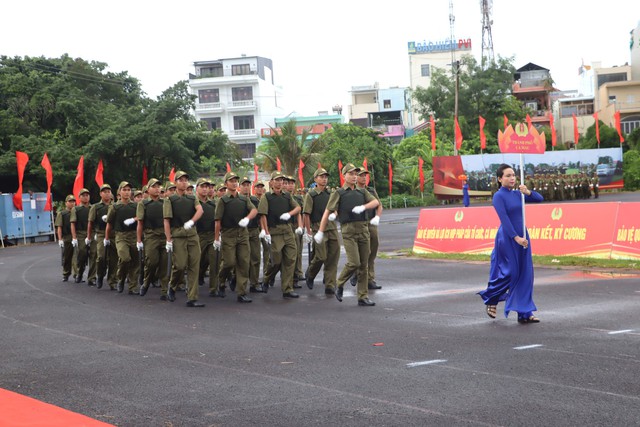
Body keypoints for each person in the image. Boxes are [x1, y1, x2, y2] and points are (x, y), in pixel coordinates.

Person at [478, 164, 544, 324]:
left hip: (523, 235)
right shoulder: (498, 196)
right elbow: (505, 219)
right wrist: (516, 238)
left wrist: (527, 192)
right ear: (500, 179)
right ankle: (491, 298)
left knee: (525, 274)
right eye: (507, 176)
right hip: (508, 238)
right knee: (510, 273)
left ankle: (525, 313)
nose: (512, 178)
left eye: (513, 175)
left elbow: (539, 199)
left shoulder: (518, 194)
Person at [314, 163, 380, 306]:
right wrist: (320, 230)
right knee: (354, 262)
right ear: (344, 176)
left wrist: (363, 207)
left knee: (364, 265)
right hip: (348, 230)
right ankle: (339, 282)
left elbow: (375, 202)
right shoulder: (338, 193)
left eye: (356, 174)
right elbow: (327, 211)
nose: (354, 177)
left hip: (363, 229)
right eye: (351, 174)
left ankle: (362, 296)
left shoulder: (362, 192)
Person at [214, 172, 258, 303]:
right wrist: (217, 238)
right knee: (229, 262)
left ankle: (241, 292)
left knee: (243, 263)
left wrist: (247, 218)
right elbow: (217, 220)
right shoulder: (223, 200)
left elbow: (254, 210)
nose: (234, 183)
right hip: (228, 234)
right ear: (226, 183)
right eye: (231, 181)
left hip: (243, 234)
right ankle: (221, 281)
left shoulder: (244, 199)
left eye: (235, 181)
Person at [164, 170, 204, 307]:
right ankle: (173, 286)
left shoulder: (192, 198)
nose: (184, 182)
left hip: (192, 235)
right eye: (180, 180)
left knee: (194, 266)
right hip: (178, 235)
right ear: (175, 183)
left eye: (186, 180)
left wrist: (192, 221)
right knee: (180, 266)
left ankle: (192, 297)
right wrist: (168, 239)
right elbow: (167, 221)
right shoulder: (170, 200)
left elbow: (200, 211)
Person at [258, 171, 301, 299]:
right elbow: (263, 215)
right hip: (274, 231)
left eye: (281, 180)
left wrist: (290, 213)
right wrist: (266, 232)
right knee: (275, 261)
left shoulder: (287, 196)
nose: (279, 182)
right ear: (271, 182)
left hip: (287, 230)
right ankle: (266, 279)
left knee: (290, 259)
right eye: (277, 180)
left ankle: (287, 288)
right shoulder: (267, 197)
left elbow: (298, 208)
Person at [303, 168, 339, 295]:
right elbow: (306, 214)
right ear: (315, 179)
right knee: (321, 256)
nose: (324, 179)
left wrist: (334, 214)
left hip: (332, 227)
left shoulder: (331, 193)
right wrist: (308, 232)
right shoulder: (311, 195)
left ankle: (330, 284)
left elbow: (335, 208)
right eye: (321, 176)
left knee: (333, 257)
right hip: (318, 227)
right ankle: (311, 273)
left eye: (325, 177)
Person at [137, 178, 170, 299]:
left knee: (164, 263)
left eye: (158, 187)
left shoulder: (165, 202)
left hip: (164, 236)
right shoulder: (143, 204)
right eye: (154, 187)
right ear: (148, 189)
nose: (157, 189)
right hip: (151, 236)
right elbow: (140, 223)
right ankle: (146, 282)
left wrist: (169, 238)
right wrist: (139, 240)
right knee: (151, 262)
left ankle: (164, 290)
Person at [105, 181, 140, 294]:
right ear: (119, 192)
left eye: (129, 190)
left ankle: (132, 286)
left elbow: (141, 217)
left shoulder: (136, 206)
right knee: (125, 258)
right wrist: (106, 238)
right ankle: (121, 278)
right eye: (124, 190)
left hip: (134, 235)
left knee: (135, 262)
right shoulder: (115, 207)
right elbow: (109, 223)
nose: (127, 192)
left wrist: (134, 219)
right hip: (120, 236)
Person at [88, 184, 118, 290]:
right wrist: (89, 237)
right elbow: (90, 222)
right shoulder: (95, 207)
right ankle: (100, 275)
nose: (107, 193)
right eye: (104, 192)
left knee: (114, 259)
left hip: (114, 234)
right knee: (101, 257)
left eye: (108, 191)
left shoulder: (115, 206)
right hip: (101, 234)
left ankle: (112, 281)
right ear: (101, 194)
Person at [70, 188, 93, 284]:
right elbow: (73, 223)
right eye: (83, 195)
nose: (85, 197)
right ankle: (79, 272)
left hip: (92, 233)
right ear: (79, 197)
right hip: (80, 234)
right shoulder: (76, 209)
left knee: (94, 254)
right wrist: (74, 237)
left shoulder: (93, 207)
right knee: (82, 254)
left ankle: (92, 277)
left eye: (87, 195)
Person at [55, 195, 76, 282]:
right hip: (67, 237)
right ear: (66, 203)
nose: (72, 203)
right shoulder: (62, 214)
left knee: (77, 257)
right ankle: (66, 273)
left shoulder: (76, 212)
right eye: (70, 201)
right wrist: (60, 239)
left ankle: (77, 274)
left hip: (76, 236)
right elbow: (59, 227)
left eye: (73, 201)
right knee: (67, 257)